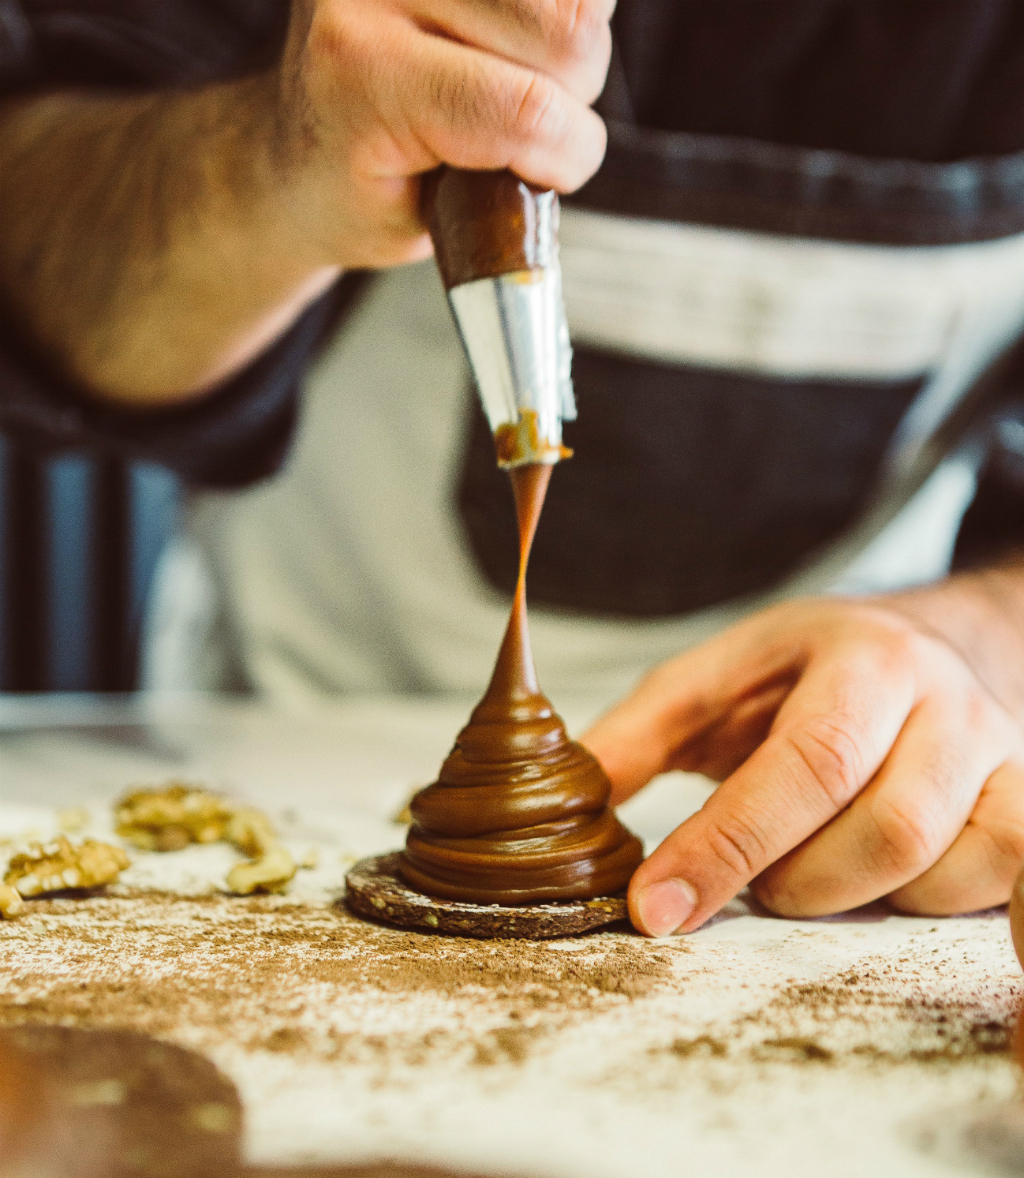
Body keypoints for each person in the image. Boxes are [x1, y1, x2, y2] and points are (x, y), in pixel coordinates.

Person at [4, 0, 1024, 938]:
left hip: (874, 806)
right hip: (275, 752)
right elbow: (33, 244)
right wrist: (257, 159)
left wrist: (970, 639)